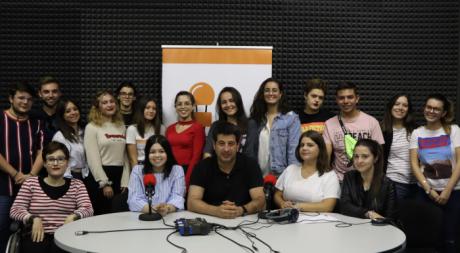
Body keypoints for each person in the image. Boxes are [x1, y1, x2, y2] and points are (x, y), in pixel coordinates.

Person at [10, 141, 93, 253]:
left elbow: (88, 209)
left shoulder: (77, 185)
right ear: (44, 163)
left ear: (67, 163)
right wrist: (33, 218)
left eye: (60, 159)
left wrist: (74, 216)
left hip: (67, 236)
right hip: (36, 235)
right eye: (51, 159)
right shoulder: (31, 184)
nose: (55, 163)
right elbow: (15, 210)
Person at [409, 94, 460, 253]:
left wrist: (447, 189)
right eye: (429, 107)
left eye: (436, 109)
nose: (431, 111)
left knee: (450, 238)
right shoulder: (417, 133)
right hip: (425, 193)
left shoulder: (454, 130)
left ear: (444, 113)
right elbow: (414, 164)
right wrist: (428, 189)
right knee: (427, 238)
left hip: (453, 192)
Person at [0, 81, 44, 252]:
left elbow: (42, 151)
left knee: (29, 229)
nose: (25, 102)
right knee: (1, 228)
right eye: (21, 98)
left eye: (29, 99)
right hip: (4, 187)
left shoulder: (37, 123)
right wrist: (15, 173)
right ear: (11, 99)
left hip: (30, 186)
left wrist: (31, 175)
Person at [188, 122, 265, 218]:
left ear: (237, 146)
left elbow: (260, 200)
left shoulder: (251, 165)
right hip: (211, 221)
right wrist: (216, 211)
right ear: (214, 145)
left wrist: (241, 210)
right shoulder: (202, 166)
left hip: (244, 221)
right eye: (221, 143)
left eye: (231, 144)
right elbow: (191, 202)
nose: (226, 149)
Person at [323, 82, 384, 181]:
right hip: (340, 180)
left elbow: (379, 154)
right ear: (337, 100)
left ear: (357, 98)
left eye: (350, 97)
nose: (346, 101)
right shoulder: (329, 124)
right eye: (341, 98)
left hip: (366, 180)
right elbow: (326, 156)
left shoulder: (371, 122)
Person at [84, 90, 130, 214]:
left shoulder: (121, 125)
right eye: (104, 103)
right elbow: (93, 159)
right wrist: (104, 183)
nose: (109, 105)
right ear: (98, 107)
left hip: (120, 176)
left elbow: (125, 156)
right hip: (101, 177)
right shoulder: (92, 127)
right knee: (103, 215)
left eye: (112, 101)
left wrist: (125, 180)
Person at [274, 131, 340, 212]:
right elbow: (277, 194)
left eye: (310, 145)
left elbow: (328, 206)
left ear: (320, 149)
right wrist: (282, 203)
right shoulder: (290, 169)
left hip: (318, 222)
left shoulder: (330, 175)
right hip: (288, 219)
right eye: (302, 145)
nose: (304, 148)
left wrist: (297, 206)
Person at [248, 78, 301, 176]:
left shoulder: (291, 119)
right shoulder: (256, 119)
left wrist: (291, 177)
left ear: (280, 94)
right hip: (257, 176)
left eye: (274, 90)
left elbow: (293, 151)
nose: (270, 93)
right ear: (262, 94)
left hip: (281, 176)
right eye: (267, 90)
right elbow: (250, 151)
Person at [128, 135, 185, 215]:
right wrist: (153, 210)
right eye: (152, 152)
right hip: (144, 215)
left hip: (170, 215)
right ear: (147, 154)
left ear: (168, 153)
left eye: (161, 151)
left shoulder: (177, 170)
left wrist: (166, 208)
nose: (157, 155)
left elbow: (177, 197)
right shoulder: (137, 170)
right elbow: (134, 199)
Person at [340, 139, 397, 220]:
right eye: (356, 156)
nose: (359, 161)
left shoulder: (387, 184)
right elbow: (344, 206)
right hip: (353, 227)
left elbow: (391, 218)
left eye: (365, 156)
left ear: (375, 158)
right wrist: (367, 213)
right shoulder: (349, 177)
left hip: (379, 229)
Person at [381, 94, 418, 200]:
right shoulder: (382, 130)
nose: (400, 108)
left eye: (405, 105)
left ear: (408, 109)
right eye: (397, 104)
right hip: (394, 182)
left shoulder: (416, 130)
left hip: (417, 184)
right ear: (391, 107)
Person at [203, 87, 256, 159]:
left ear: (238, 102)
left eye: (231, 101)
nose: (228, 105)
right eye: (224, 102)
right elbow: (207, 153)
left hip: (244, 167)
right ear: (220, 106)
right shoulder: (216, 125)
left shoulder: (250, 124)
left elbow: (250, 153)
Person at [166, 91, 205, 187]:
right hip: (169, 172)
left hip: (187, 171)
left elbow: (196, 157)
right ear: (175, 107)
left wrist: (186, 182)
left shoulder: (198, 127)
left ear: (193, 106)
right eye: (179, 104)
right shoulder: (169, 129)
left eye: (187, 103)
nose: (183, 107)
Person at [52, 98, 89, 180]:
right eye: (68, 111)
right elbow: (58, 162)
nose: (73, 113)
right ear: (62, 115)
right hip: (70, 177)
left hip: (86, 175)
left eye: (75, 109)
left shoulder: (84, 131)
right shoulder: (60, 137)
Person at [126, 97, 165, 168]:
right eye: (147, 108)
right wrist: (137, 174)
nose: (151, 111)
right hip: (140, 166)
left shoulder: (161, 128)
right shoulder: (132, 129)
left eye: (154, 108)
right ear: (141, 110)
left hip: (158, 167)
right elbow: (133, 159)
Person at [30, 76, 62, 147]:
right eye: (46, 92)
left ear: (60, 93)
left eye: (54, 91)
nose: (51, 95)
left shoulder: (65, 117)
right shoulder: (31, 117)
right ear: (40, 94)